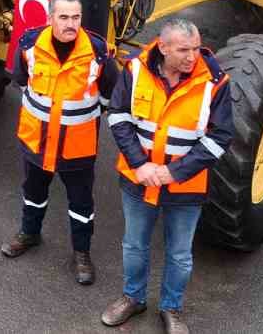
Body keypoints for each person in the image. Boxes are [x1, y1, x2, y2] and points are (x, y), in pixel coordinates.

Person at [101, 19, 233, 334]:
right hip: (138, 180)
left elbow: (220, 138)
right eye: (184, 50)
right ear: (163, 47)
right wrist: (140, 164)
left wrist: (173, 172)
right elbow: (118, 116)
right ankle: (133, 298)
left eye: (196, 48)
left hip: (185, 187)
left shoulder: (215, 82)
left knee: (179, 254)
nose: (192, 57)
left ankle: (171, 308)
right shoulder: (134, 70)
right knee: (134, 245)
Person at [2, 0, 119, 286]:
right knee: (33, 193)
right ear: (50, 18)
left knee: (81, 204)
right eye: (64, 17)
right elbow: (20, 81)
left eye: (76, 17)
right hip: (36, 143)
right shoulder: (29, 44)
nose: (71, 23)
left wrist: (91, 114)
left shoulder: (98, 51)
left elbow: (111, 92)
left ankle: (81, 253)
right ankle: (29, 233)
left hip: (76, 149)